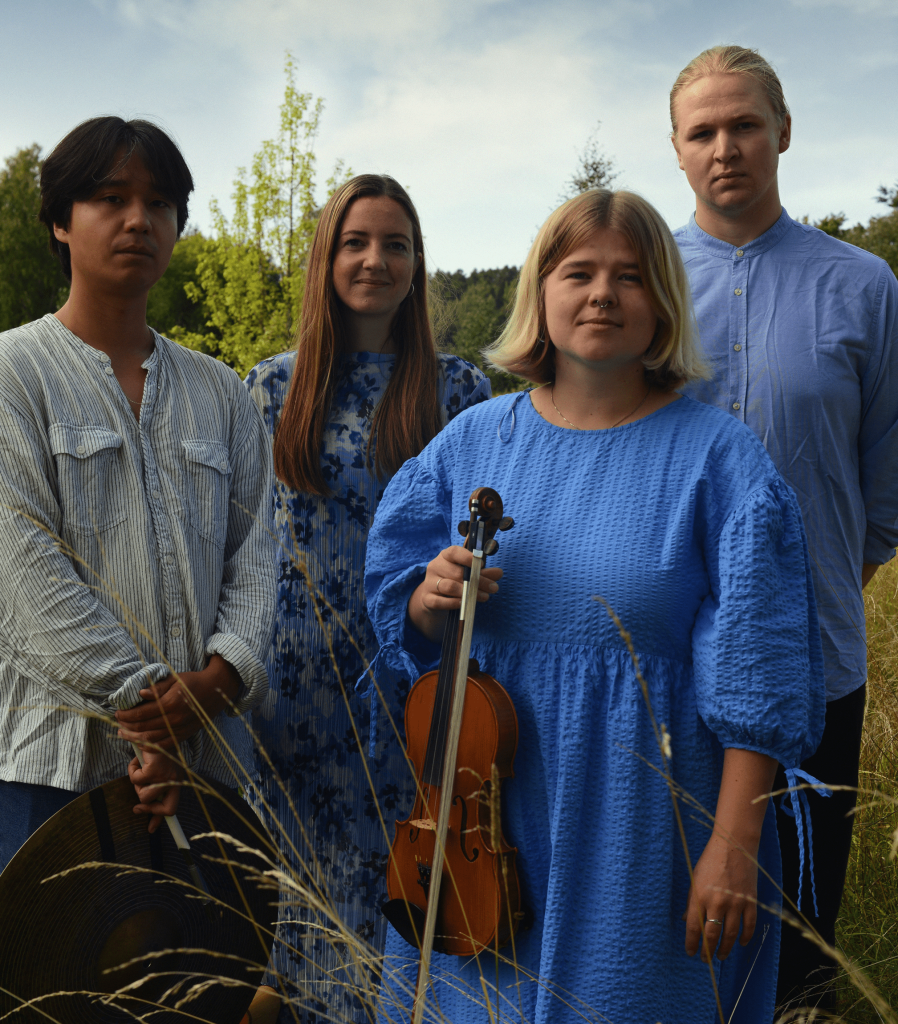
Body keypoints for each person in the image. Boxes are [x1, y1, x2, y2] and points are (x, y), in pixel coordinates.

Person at [363, 188, 825, 1024]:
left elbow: (760, 676)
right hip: (486, 823)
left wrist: (734, 845)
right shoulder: (476, 439)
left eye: (631, 276)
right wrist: (428, 602)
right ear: (541, 293)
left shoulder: (720, 458)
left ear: (664, 305)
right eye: (578, 272)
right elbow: (403, 610)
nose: (603, 293)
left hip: (648, 828)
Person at [669, 44, 898, 1009]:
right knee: (668, 909)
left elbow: (885, 484)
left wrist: (812, 586)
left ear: (784, 133)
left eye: (744, 124)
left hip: (817, 657)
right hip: (666, 653)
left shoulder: (864, 289)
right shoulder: (644, 284)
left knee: (799, 916)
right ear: (677, 152)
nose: (726, 148)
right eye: (703, 132)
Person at [242, 174, 491, 1023]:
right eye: (355, 242)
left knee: (402, 883)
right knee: (295, 893)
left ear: (419, 264)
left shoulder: (458, 390)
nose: (375, 260)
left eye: (395, 244)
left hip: (408, 678)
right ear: (325, 258)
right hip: (294, 686)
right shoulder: (271, 388)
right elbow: (242, 539)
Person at [0, 116, 276, 869]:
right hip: (49, 772)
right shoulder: (14, 375)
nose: (137, 220)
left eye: (159, 204)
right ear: (60, 221)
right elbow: (23, 570)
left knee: (203, 982)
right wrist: (150, 710)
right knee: (42, 984)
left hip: (207, 769)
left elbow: (258, 558)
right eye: (110, 198)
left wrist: (220, 684)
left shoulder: (220, 392)